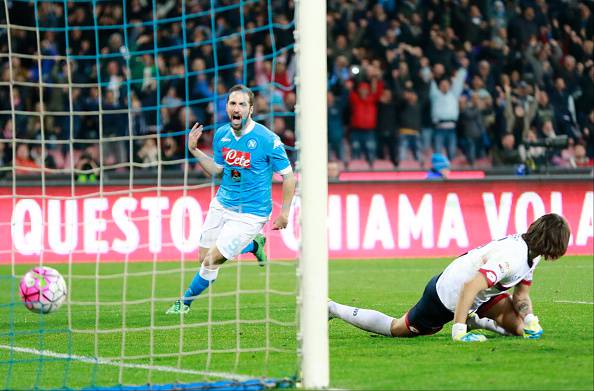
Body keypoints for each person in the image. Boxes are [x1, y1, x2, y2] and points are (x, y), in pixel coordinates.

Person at [328, 213, 570, 342]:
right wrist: (459, 329)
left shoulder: (532, 253)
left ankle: (475, 319)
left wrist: (529, 318)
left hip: (481, 294)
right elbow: (470, 286)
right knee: (399, 329)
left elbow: (521, 294)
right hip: (449, 294)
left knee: (518, 330)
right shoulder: (512, 257)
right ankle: (332, 308)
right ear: (554, 243)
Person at [167, 84, 296, 314]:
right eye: (232, 103)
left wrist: (285, 212)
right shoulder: (222, 135)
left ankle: (183, 304)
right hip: (222, 203)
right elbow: (217, 170)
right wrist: (195, 150)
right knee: (203, 258)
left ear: (251, 109)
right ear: (227, 107)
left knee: (211, 262)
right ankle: (254, 245)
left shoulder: (267, 139)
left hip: (251, 213)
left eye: (242, 104)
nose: (236, 108)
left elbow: (288, 176)